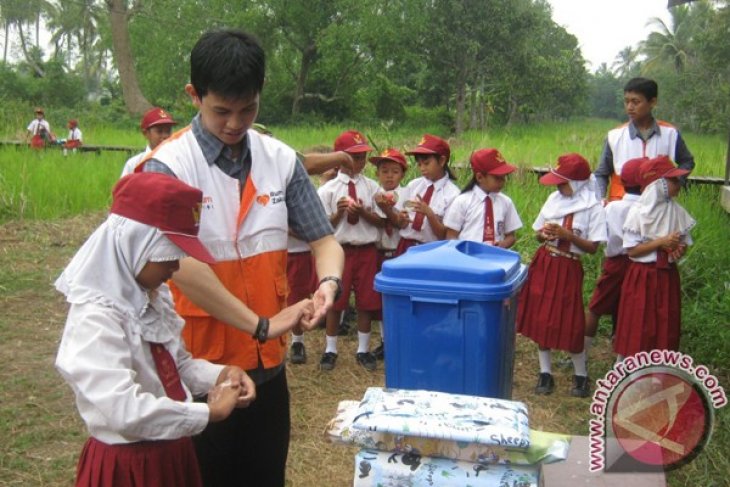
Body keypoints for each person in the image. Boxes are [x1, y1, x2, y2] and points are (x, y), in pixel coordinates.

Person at [138, 29, 343, 487]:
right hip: (196, 364)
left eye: (247, 109)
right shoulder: (167, 168)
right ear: (194, 95)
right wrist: (262, 323)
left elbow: (324, 239)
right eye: (221, 111)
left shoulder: (280, 161)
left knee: (264, 474)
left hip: (266, 365)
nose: (235, 123)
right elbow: (178, 263)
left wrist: (329, 284)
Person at [55, 173, 262, 487]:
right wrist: (208, 413)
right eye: (169, 256)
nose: (175, 269)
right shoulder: (96, 318)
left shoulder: (151, 296)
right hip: (129, 466)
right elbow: (124, 411)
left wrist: (221, 374)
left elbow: (176, 366)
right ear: (134, 245)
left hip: (173, 449)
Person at [516, 154, 607, 398]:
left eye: (563, 182)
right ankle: (545, 372)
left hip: (569, 266)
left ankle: (581, 374)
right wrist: (544, 235)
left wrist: (569, 236)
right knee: (542, 316)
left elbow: (592, 247)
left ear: (577, 183)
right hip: (546, 261)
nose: (558, 186)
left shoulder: (592, 207)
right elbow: (537, 233)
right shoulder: (553, 201)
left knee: (570, 318)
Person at [613, 156, 694, 360]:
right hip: (643, 275)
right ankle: (627, 371)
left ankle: (658, 372)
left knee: (664, 321)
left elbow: (682, 244)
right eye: (673, 180)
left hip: (667, 276)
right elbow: (632, 251)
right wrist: (660, 243)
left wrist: (677, 249)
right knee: (637, 321)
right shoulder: (638, 213)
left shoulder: (677, 212)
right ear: (659, 185)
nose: (678, 184)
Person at [317, 130, 383, 372]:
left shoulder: (373, 187)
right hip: (339, 251)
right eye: (353, 157)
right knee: (336, 301)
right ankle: (330, 349)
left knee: (366, 300)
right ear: (339, 159)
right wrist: (339, 213)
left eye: (363, 156)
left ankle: (363, 349)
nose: (360, 162)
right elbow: (323, 228)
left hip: (366, 250)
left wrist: (364, 212)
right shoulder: (328, 190)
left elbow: (382, 222)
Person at [288, 146, 346, 365]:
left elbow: (317, 229)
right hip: (275, 252)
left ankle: (297, 341)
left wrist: (289, 228)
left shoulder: (303, 193)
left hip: (299, 252)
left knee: (299, 298)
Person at [584, 157, 645, 361]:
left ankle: (581, 353)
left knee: (595, 308)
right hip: (640, 265)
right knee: (631, 312)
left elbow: (602, 236)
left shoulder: (611, 208)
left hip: (615, 262)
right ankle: (621, 362)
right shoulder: (647, 210)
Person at [595, 77, 694, 202]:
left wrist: (675, 182)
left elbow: (687, 162)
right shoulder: (615, 136)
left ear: (652, 102)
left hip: (657, 206)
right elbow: (601, 173)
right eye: (626, 102)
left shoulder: (670, 133)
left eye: (635, 102)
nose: (630, 107)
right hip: (621, 206)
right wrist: (600, 199)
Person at [393, 134, 460, 256]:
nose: (422, 168)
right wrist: (402, 219)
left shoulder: (453, 195)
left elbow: (444, 235)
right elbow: (400, 223)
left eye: (426, 163)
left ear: (442, 161)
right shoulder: (413, 185)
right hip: (406, 246)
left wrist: (429, 213)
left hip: (432, 250)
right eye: (419, 164)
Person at [370, 147, 408, 359]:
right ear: (377, 174)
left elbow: (401, 224)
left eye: (394, 171)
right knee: (382, 299)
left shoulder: (406, 195)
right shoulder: (373, 194)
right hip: (378, 250)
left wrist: (387, 210)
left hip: (399, 251)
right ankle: (385, 340)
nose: (389, 176)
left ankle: (400, 338)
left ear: (402, 174)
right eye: (384, 171)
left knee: (399, 297)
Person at [443, 148, 522, 247]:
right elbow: (451, 236)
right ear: (480, 177)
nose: (502, 181)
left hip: (495, 258)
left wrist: (502, 245)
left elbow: (511, 236)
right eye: (497, 178)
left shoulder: (506, 202)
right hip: (467, 257)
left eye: (504, 177)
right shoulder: (462, 201)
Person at [121, 107, 178, 176]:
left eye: (168, 131)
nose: (165, 136)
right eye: (159, 131)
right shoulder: (134, 164)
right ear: (146, 133)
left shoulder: (178, 162)